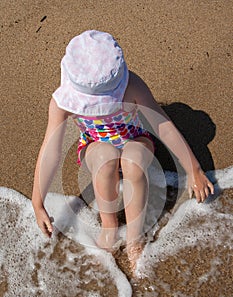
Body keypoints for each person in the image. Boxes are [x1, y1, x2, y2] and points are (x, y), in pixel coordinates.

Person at [32, 30, 214, 272]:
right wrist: (38, 202)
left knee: (133, 160)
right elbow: (51, 151)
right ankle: (109, 225)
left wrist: (194, 169)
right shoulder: (61, 102)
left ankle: (134, 238)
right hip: (95, 146)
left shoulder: (133, 87)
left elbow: (162, 125)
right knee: (106, 158)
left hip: (135, 139)